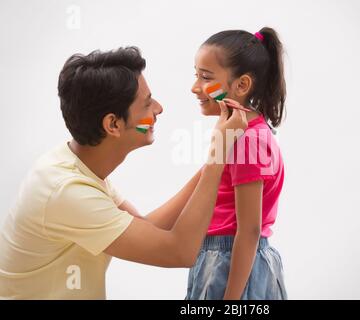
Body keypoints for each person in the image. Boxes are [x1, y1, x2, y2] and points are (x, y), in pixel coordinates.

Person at [0, 46, 247, 299]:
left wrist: (218, 157)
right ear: (113, 124)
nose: (159, 109)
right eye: (147, 103)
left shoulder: (77, 167)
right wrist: (218, 154)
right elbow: (180, 252)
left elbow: (146, 228)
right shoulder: (66, 191)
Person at [186, 27, 287, 300]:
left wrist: (231, 300)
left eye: (206, 77)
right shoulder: (238, 133)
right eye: (195, 75)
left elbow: (250, 230)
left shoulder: (247, 140)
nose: (195, 87)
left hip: (230, 265)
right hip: (226, 261)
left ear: (242, 85)